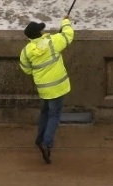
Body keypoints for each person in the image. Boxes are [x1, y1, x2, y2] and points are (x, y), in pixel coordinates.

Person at [19, 14, 74, 164]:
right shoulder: (52, 41)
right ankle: (46, 143)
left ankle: (39, 139)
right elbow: (68, 35)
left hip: (43, 89)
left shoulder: (26, 51)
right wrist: (65, 21)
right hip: (57, 87)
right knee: (54, 115)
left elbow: (26, 69)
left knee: (45, 113)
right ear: (39, 33)